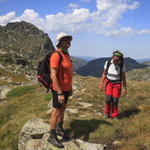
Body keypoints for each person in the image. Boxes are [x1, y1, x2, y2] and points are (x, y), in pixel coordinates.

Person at [48, 32, 73, 148]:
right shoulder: (56, 55)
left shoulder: (66, 54)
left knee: (62, 109)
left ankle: (59, 129)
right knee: (56, 111)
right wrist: (59, 93)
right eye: (65, 40)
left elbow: (68, 73)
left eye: (69, 40)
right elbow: (53, 75)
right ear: (59, 42)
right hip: (58, 90)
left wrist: (70, 87)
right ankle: (52, 136)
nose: (68, 43)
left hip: (66, 89)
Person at [99, 50, 127, 119]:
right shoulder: (108, 63)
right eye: (114, 60)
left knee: (115, 100)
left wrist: (124, 87)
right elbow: (104, 74)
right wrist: (101, 84)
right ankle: (107, 113)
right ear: (112, 57)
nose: (115, 62)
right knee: (108, 99)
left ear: (120, 60)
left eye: (117, 61)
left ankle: (114, 114)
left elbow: (123, 76)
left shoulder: (121, 65)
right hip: (109, 83)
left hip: (117, 84)